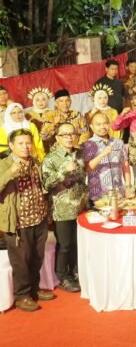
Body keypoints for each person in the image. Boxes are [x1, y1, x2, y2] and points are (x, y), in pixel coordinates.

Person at [0, 130, 55, 312]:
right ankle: (22, 296)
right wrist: (9, 173)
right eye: (21, 143)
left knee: (36, 257)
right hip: (17, 222)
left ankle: (34, 289)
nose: (26, 146)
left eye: (28, 143)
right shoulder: (4, 164)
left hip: (38, 217)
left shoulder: (35, 162)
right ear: (11, 146)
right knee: (21, 261)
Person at [40, 122, 88, 293]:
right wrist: (64, 171)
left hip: (80, 207)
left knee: (77, 242)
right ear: (57, 137)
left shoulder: (79, 154)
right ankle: (63, 275)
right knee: (65, 244)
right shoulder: (50, 158)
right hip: (62, 208)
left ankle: (76, 271)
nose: (69, 137)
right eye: (65, 134)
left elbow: (82, 179)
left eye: (72, 133)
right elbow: (45, 184)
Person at [82, 112, 128, 202]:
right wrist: (102, 154)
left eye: (105, 123)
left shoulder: (118, 143)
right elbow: (87, 168)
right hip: (98, 194)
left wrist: (129, 186)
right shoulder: (88, 144)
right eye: (98, 124)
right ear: (91, 126)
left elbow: (125, 165)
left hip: (118, 193)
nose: (102, 127)